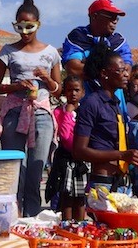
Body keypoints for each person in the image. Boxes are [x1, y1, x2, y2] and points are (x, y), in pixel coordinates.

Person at [0, 0, 60, 216]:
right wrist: (15, 86)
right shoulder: (8, 50)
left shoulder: (50, 53)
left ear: (38, 24)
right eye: (19, 26)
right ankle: (12, 215)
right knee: (14, 167)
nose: (25, 31)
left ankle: (32, 216)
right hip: (14, 111)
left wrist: (46, 79)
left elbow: (58, 90)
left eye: (29, 26)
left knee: (36, 168)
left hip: (40, 111)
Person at [73, 44, 138, 194]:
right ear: (104, 73)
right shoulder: (92, 103)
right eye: (120, 70)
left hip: (121, 180)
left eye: (126, 70)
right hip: (102, 182)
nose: (126, 75)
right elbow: (79, 150)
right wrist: (122, 155)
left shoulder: (116, 104)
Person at [62, 0, 133, 114]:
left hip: (115, 106)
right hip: (86, 107)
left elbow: (126, 72)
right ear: (94, 16)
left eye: (117, 17)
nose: (115, 21)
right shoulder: (78, 37)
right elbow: (73, 68)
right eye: (111, 16)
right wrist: (110, 72)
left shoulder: (119, 41)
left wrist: (89, 66)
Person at [47, 76, 88, 222]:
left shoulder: (86, 111)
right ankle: (67, 225)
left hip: (82, 159)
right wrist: (68, 114)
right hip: (67, 159)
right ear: (65, 92)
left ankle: (80, 225)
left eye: (77, 90)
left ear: (83, 92)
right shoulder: (59, 112)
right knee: (67, 195)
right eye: (70, 90)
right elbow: (64, 135)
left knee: (80, 196)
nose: (73, 94)